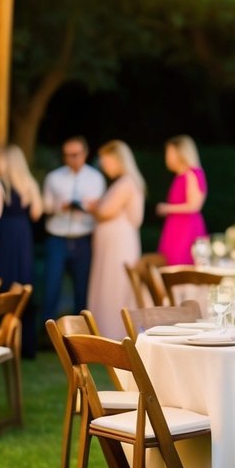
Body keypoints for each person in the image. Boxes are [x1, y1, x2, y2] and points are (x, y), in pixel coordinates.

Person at [41, 136, 106, 324]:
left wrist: (87, 207)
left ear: (85, 154)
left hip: (83, 238)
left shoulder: (96, 178)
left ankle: (81, 334)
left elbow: (101, 209)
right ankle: (47, 333)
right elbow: (45, 207)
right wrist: (58, 207)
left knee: (82, 288)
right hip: (57, 237)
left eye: (75, 154)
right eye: (67, 155)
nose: (71, 159)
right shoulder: (53, 177)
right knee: (51, 286)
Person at [0, 145, 43, 357]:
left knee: (5, 283)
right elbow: (37, 213)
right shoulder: (29, 183)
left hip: (6, 237)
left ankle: (2, 342)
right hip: (23, 235)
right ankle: (27, 345)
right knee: (23, 284)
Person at [85, 140, 144, 338]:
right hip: (114, 243)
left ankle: (113, 333)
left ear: (118, 160)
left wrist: (94, 207)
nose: (104, 166)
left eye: (106, 161)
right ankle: (104, 330)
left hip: (119, 244)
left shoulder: (126, 183)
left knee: (115, 286)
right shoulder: (125, 182)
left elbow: (105, 211)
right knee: (109, 284)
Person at [156, 135, 209, 264]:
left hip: (186, 229)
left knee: (181, 265)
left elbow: (194, 206)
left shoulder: (191, 173)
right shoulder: (180, 176)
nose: (167, 157)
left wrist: (166, 208)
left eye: (170, 152)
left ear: (181, 153)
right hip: (175, 227)